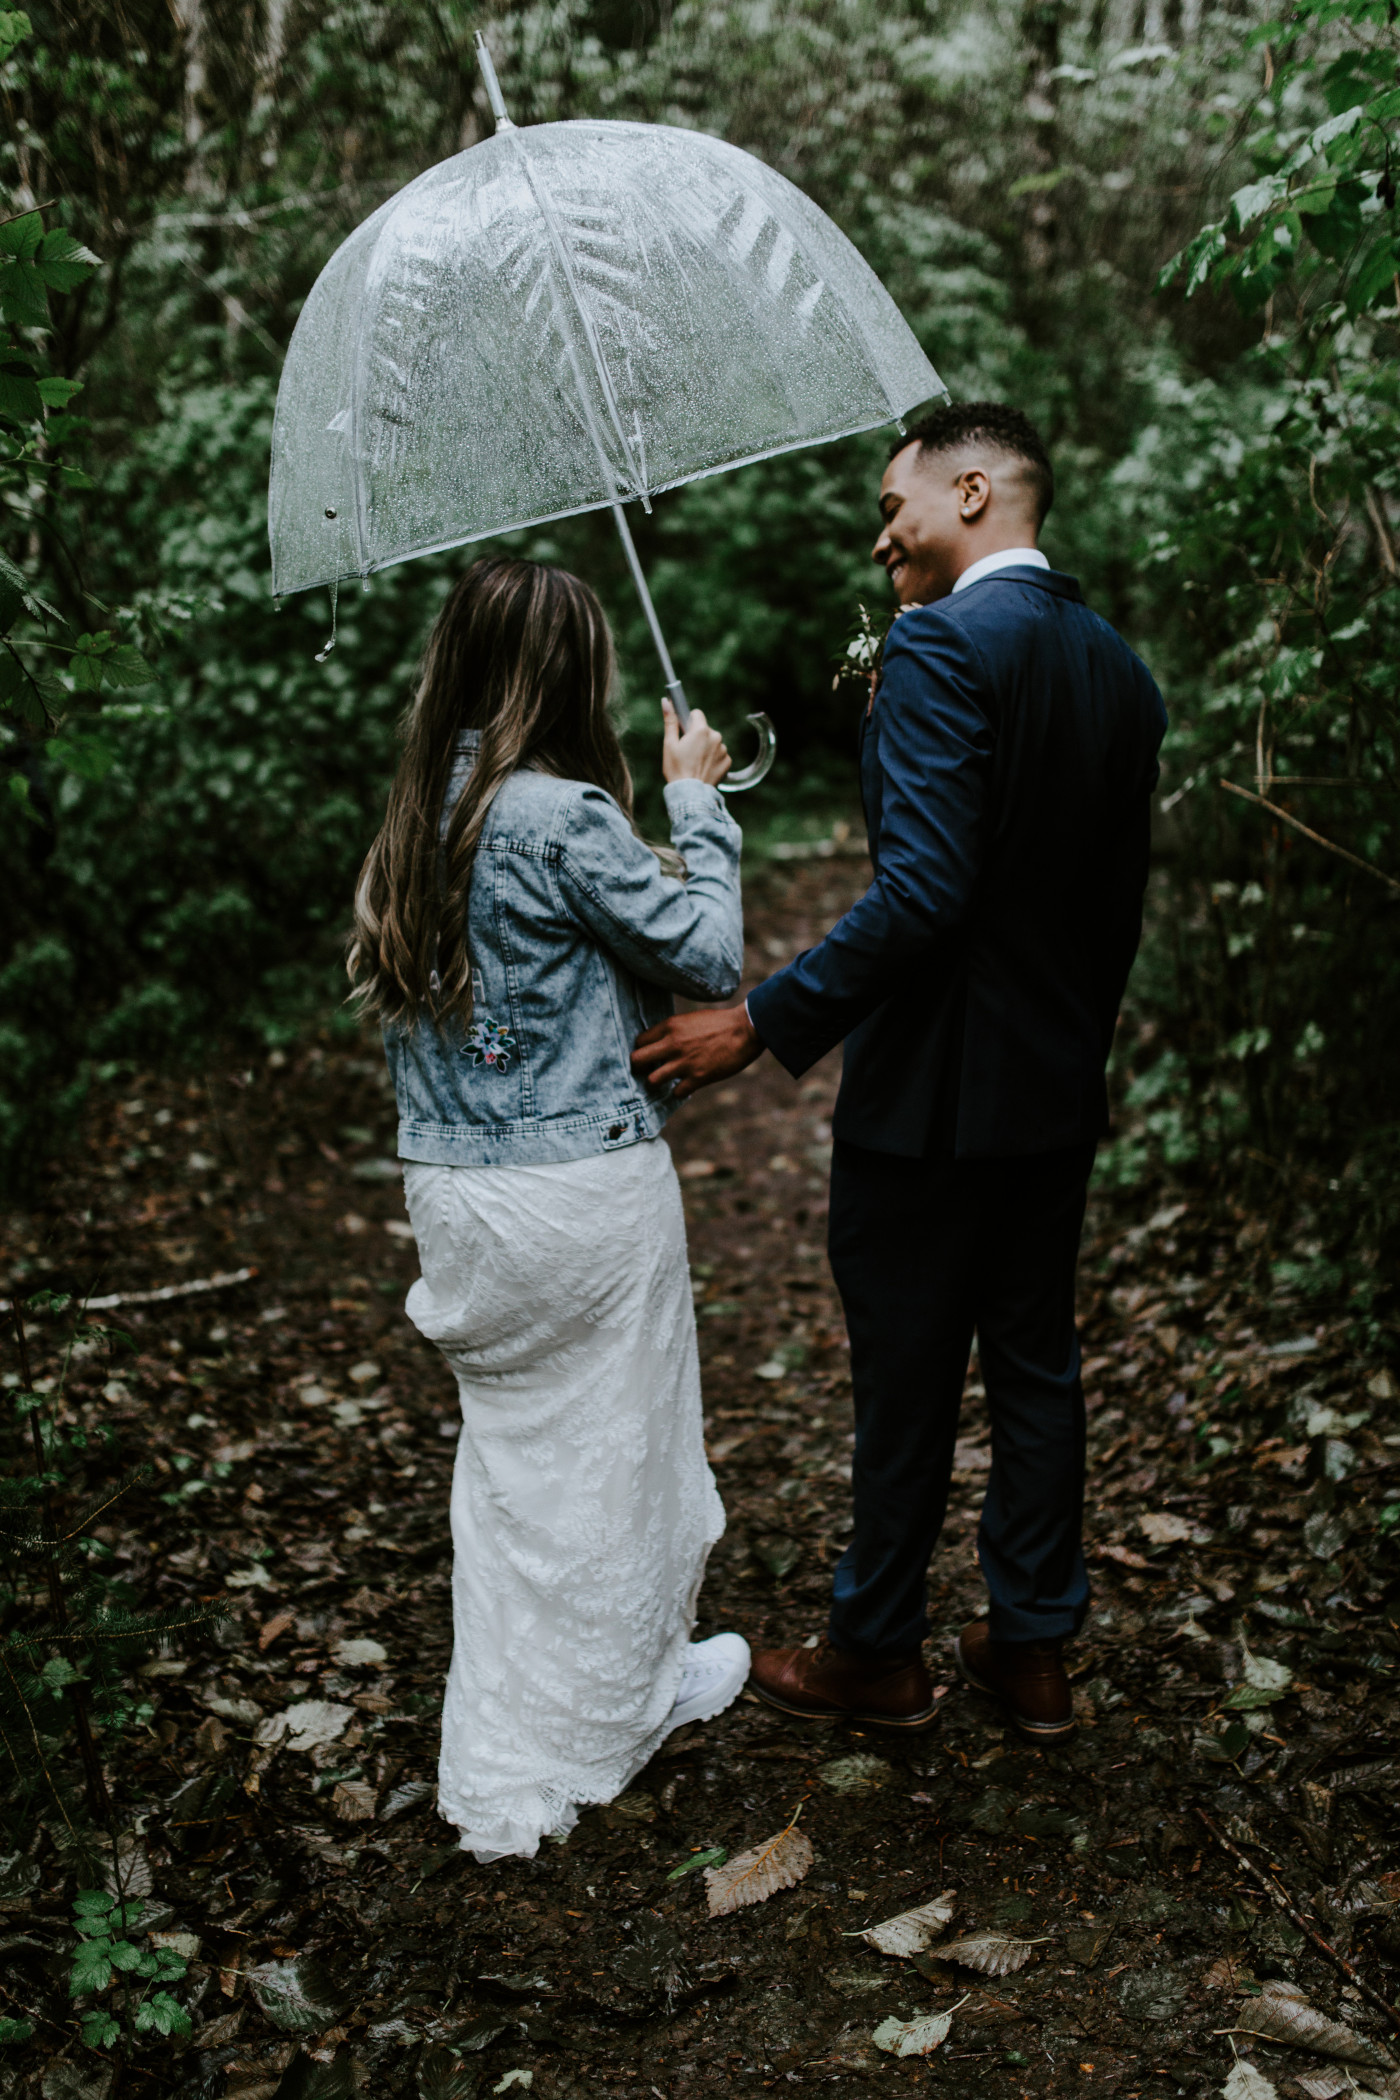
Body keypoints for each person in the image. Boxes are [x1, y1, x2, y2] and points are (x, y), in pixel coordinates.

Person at [631, 403, 1167, 1742]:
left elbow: (925, 890)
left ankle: (879, 1651)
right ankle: (1034, 1648)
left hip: (930, 1099)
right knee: (1037, 1366)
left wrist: (760, 1018)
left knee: (911, 1373)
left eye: (895, 506)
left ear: (974, 490)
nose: (883, 538)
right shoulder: (1119, 669)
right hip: (1052, 1090)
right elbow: (1106, 906)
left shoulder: (937, 647)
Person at [349, 554, 751, 1860]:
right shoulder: (559, 814)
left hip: (456, 1200)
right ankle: (625, 1707)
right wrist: (698, 806)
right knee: (621, 1456)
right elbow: (705, 957)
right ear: (574, 672)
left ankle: (505, 1761)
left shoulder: (419, 811)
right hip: (577, 1188)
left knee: (517, 1474)